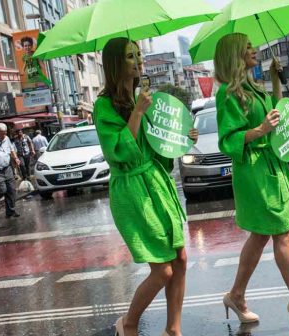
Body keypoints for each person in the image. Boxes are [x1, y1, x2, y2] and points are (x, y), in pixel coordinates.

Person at [214, 33, 289, 330]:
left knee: (262, 234)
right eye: (248, 47)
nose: (255, 50)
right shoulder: (227, 93)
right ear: (235, 55)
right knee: (282, 233)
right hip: (252, 168)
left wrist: (276, 80)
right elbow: (228, 140)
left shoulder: (256, 88)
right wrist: (260, 130)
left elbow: (276, 116)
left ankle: (236, 295)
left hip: (272, 164)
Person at [94, 37, 198, 336]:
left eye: (138, 53)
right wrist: (138, 112)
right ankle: (128, 324)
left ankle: (173, 330)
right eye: (130, 55)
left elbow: (158, 149)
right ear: (115, 64)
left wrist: (182, 137)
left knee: (179, 258)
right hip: (132, 190)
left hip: (156, 182)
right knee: (162, 268)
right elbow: (119, 152)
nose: (138, 60)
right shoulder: (104, 106)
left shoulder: (142, 97)